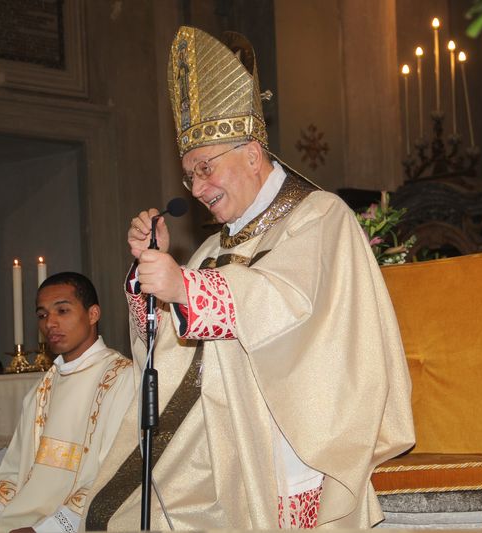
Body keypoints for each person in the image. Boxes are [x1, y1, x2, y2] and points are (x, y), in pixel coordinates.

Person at [83, 26, 414, 530]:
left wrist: (183, 287)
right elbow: (167, 345)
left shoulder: (321, 216)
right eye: (189, 174)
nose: (197, 188)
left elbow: (288, 302)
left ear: (253, 155)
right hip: (229, 432)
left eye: (205, 168)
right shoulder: (217, 247)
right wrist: (151, 274)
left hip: (299, 430)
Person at [0, 272, 135, 533]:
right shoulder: (44, 387)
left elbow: (114, 474)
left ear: (93, 314)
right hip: (19, 522)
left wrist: (46, 529)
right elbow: (13, 473)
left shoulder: (122, 378)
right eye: (42, 315)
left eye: (62, 310)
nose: (50, 323)